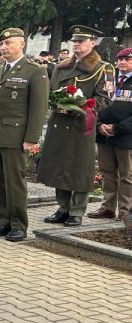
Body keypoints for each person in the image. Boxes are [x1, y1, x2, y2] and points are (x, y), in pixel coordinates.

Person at [0, 28, 49, 242]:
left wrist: (31, 138)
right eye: (2, 44)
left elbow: (38, 108)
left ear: (21, 44)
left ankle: (18, 225)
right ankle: (3, 222)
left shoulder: (34, 71)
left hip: (16, 136)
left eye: (9, 43)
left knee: (14, 182)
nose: (4, 48)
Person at [37, 25, 112, 227]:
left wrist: (80, 106)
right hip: (60, 124)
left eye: (81, 41)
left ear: (92, 43)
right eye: (74, 41)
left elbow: (105, 99)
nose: (76, 44)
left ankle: (77, 211)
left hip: (82, 126)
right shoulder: (62, 66)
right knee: (59, 166)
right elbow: (51, 91)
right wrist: (57, 102)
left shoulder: (102, 68)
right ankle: (63, 207)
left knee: (80, 169)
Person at [88, 47, 132, 221]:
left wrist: (117, 128)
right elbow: (97, 101)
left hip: (125, 136)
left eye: (127, 60)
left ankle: (126, 209)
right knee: (107, 172)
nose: (122, 62)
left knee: (126, 175)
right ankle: (107, 207)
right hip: (104, 134)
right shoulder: (109, 79)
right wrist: (98, 124)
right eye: (120, 59)